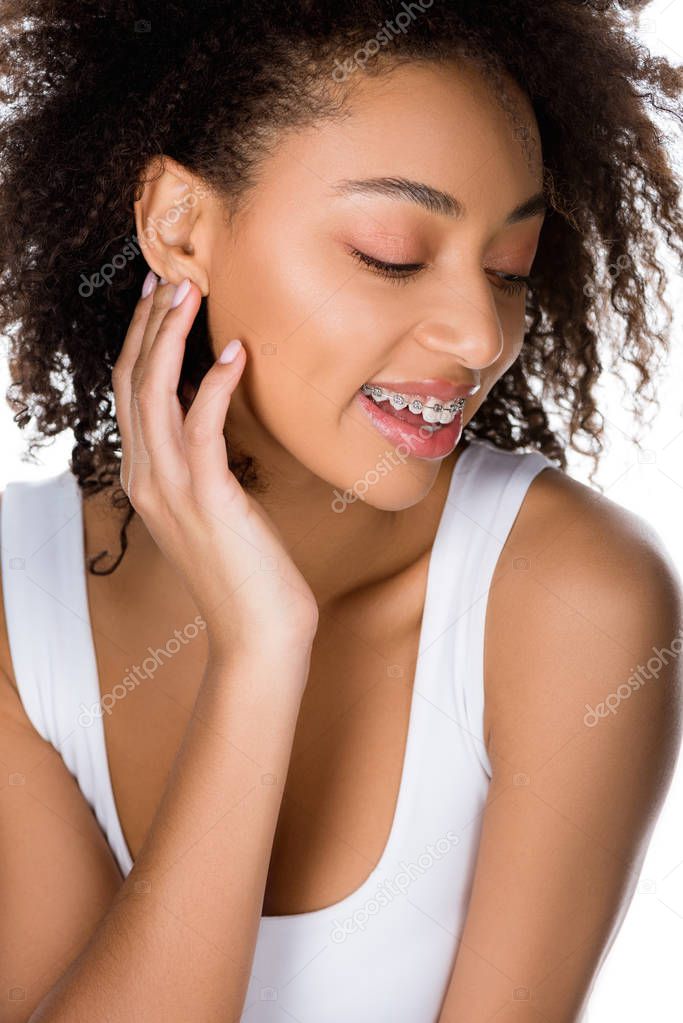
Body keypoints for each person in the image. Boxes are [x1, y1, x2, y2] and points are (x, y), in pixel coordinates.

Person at [0, 2, 681, 1021]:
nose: (477, 336)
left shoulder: (572, 602)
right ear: (181, 225)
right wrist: (260, 655)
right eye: (390, 253)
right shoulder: (20, 602)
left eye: (508, 269)